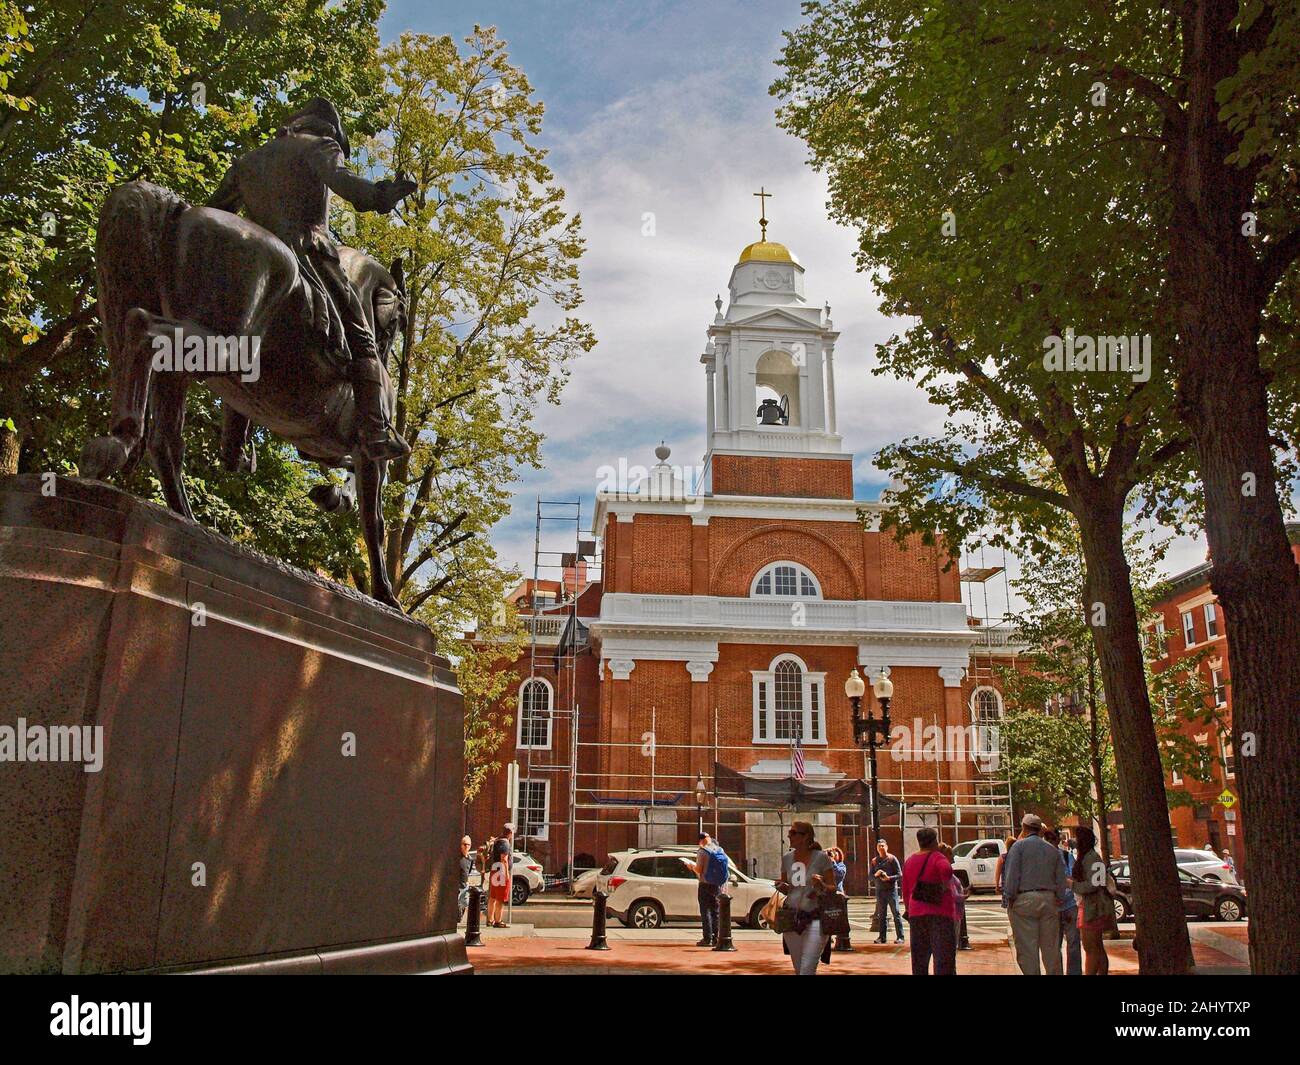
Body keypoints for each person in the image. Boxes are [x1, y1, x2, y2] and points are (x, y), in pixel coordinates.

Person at [207, 97, 416, 462]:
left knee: (243, 337)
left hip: (251, 259)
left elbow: (214, 213)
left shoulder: (248, 160)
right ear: (328, 131)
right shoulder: (320, 146)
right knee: (362, 336)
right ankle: (375, 429)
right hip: (309, 254)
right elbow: (347, 185)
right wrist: (383, 195)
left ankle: (234, 443)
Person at [1002, 814, 1069, 975]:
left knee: (1027, 949)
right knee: (1051, 948)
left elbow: (1011, 876)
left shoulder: (1018, 847)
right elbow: (1061, 878)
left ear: (1024, 828)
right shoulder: (1052, 850)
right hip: (1049, 899)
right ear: (1040, 830)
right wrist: (1059, 898)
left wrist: (1009, 898)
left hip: (1023, 899)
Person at [775, 821, 837, 974]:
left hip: (816, 918)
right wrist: (782, 887)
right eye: (790, 832)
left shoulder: (821, 858)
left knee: (807, 968)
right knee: (799, 968)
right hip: (791, 919)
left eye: (794, 833)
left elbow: (833, 888)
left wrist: (821, 885)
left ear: (805, 836)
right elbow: (788, 887)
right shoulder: (787, 859)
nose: (789, 835)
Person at [902, 828, 957, 975]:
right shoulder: (938, 857)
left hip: (916, 913)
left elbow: (906, 891)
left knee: (919, 959)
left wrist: (909, 909)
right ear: (934, 841)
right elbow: (946, 870)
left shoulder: (909, 861)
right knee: (943, 959)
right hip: (940, 912)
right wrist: (945, 885)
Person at [1072, 826, 1110, 976]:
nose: (1074, 841)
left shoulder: (1093, 858)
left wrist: (1072, 885)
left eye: (1076, 838)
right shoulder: (1089, 857)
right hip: (1088, 906)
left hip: (1093, 908)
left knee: (1091, 947)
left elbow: (1095, 884)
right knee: (1097, 947)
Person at [1045, 827, 1081, 975]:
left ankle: (1073, 972)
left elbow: (1073, 879)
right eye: (1047, 840)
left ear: (1057, 840)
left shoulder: (1067, 857)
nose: (1050, 843)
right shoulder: (1042, 859)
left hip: (1069, 905)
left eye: (1052, 839)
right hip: (1052, 907)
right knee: (1054, 945)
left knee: (1073, 943)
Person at [691, 832, 729, 946]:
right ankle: (716, 937)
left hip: (705, 884)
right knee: (715, 911)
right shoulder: (720, 850)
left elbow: (699, 869)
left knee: (705, 910)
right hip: (717, 885)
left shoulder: (702, 851)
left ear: (700, 841)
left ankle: (707, 939)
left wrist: (691, 866)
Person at [938, 843, 970, 959]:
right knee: (950, 948)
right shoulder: (946, 870)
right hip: (952, 913)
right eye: (950, 854)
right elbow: (952, 894)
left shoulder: (947, 870)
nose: (953, 857)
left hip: (954, 913)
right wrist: (964, 896)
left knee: (950, 947)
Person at [870, 840, 905, 944]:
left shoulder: (892, 859)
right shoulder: (874, 861)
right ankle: (882, 937)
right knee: (882, 914)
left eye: (883, 846)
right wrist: (876, 874)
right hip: (880, 891)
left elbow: (900, 874)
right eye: (879, 846)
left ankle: (900, 936)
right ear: (876, 848)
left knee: (896, 913)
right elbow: (870, 877)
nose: (881, 848)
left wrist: (889, 878)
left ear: (886, 847)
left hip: (891, 890)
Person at [487, 824, 513, 928]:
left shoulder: (497, 841)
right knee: (500, 898)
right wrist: (506, 873)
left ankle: (490, 920)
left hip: (494, 869)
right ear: (510, 833)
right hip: (501, 872)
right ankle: (498, 921)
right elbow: (504, 859)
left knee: (492, 896)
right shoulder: (505, 843)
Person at [457, 835, 475, 921]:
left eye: (468, 845)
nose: (466, 846)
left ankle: (459, 917)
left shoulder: (470, 859)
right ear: (461, 845)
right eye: (464, 844)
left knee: (464, 903)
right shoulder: (457, 858)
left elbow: (469, 871)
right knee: (457, 904)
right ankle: (457, 918)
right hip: (457, 885)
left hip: (465, 885)